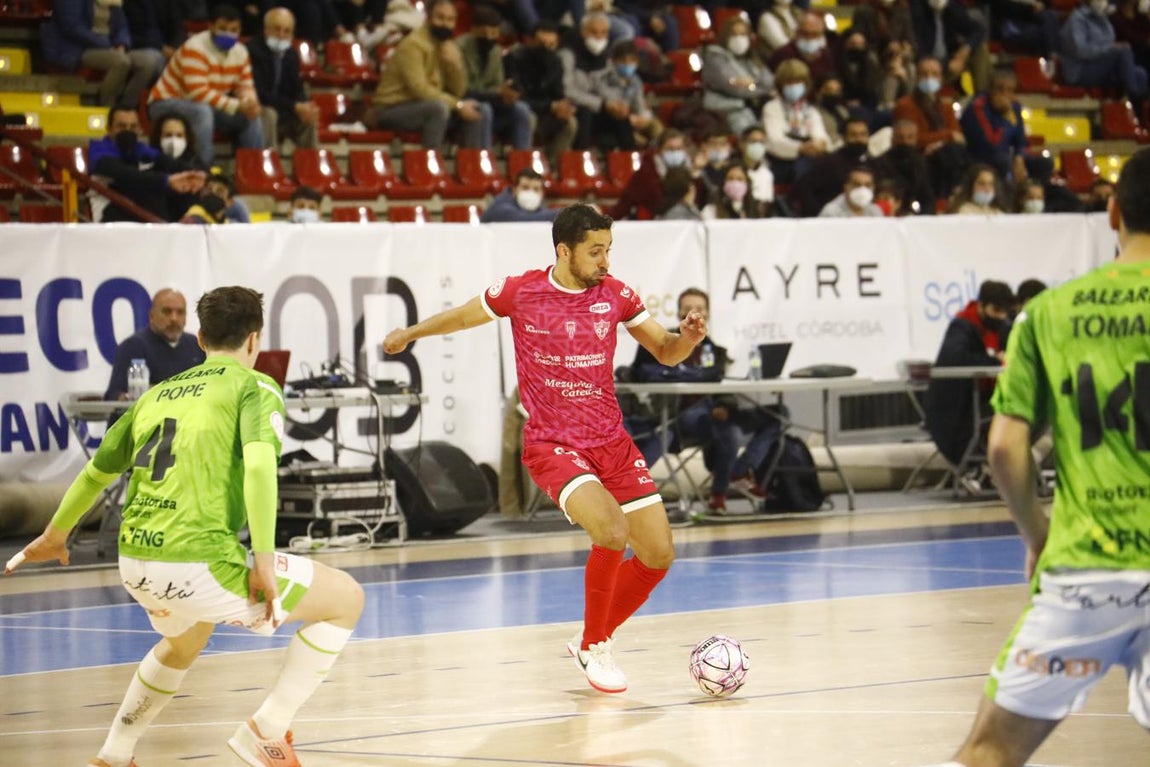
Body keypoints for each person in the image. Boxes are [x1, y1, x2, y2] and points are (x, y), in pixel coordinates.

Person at [7, 286, 364, 767]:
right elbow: (260, 471)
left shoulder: (156, 394)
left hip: (133, 564)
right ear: (255, 340)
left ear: (199, 337)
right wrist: (261, 561)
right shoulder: (255, 386)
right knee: (346, 599)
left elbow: (96, 472)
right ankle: (268, 729)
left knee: (187, 637)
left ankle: (115, 753)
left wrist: (56, 534)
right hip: (196, 564)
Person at [382, 204, 706, 693]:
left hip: (611, 442)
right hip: (554, 444)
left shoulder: (616, 295)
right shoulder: (523, 291)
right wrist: (410, 333)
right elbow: (462, 317)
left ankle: (589, 637)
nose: (606, 261)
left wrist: (688, 340)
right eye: (595, 252)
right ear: (564, 250)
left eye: (609, 250)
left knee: (658, 554)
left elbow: (664, 348)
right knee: (611, 531)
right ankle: (597, 647)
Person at [920, 148, 1150, 767]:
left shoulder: (1049, 313)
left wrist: (1037, 534)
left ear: (1111, 213)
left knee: (989, 751)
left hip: (1086, 568)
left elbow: (1002, 446)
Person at [629, 288, 782, 512]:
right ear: (678, 312)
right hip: (678, 417)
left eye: (699, 309)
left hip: (714, 414)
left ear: (708, 314)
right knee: (729, 432)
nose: (693, 313)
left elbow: (719, 383)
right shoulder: (660, 343)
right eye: (688, 308)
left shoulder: (715, 351)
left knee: (777, 415)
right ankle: (718, 495)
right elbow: (640, 373)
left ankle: (737, 473)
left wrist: (724, 405)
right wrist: (691, 375)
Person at [147, 3, 265, 166]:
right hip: (166, 102)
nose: (228, 34)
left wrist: (249, 103)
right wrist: (237, 106)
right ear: (211, 27)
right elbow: (198, 93)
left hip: (211, 107)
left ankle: (252, 170)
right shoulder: (195, 47)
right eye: (223, 28)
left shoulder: (241, 51)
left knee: (251, 117)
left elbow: (245, 85)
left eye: (233, 30)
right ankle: (204, 169)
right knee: (201, 111)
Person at [923, 279, 1013, 487]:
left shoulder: (1005, 327)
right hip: (956, 408)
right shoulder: (962, 326)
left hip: (988, 400)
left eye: (1004, 311)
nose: (1000, 316)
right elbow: (956, 359)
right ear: (981, 305)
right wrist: (993, 360)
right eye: (996, 310)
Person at [367, 0, 489, 149]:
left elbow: (459, 91)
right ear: (429, 18)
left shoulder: (449, 46)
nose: (445, 24)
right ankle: (430, 164)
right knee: (438, 109)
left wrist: (455, 66)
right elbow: (419, 89)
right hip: (391, 109)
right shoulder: (413, 44)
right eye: (440, 18)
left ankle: (472, 166)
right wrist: (457, 105)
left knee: (480, 110)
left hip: (426, 105)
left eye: (450, 19)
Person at [89, 104, 206, 223]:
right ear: (109, 129)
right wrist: (167, 181)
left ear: (139, 129)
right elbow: (127, 175)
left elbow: (169, 163)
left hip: (137, 210)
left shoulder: (139, 149)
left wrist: (197, 175)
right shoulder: (99, 149)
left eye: (133, 127)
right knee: (152, 192)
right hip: (108, 209)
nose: (128, 131)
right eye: (121, 126)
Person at [42, 0, 164, 107]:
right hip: (78, 48)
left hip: (110, 47)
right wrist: (105, 44)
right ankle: (107, 105)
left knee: (149, 63)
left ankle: (126, 106)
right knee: (121, 62)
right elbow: (71, 26)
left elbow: (122, 26)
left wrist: (121, 44)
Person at [104, 288, 206, 401]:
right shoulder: (133, 346)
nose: (174, 318)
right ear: (152, 316)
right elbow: (114, 395)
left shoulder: (196, 345)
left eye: (180, 312)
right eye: (167, 311)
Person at [893, 55, 969, 199]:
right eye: (924, 74)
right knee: (950, 154)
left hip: (944, 156)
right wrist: (947, 136)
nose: (929, 78)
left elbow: (959, 136)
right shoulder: (905, 105)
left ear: (941, 79)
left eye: (934, 74)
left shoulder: (945, 105)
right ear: (917, 77)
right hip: (916, 158)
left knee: (955, 153)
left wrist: (939, 142)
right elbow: (912, 138)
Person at [457, 4, 532, 150]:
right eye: (485, 34)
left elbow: (497, 85)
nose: (489, 38)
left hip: (490, 101)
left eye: (493, 34)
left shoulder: (496, 51)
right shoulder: (459, 48)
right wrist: (497, 92)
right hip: (464, 104)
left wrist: (507, 94)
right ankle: (485, 160)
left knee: (521, 109)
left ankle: (523, 164)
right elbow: (462, 89)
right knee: (484, 109)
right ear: (474, 30)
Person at [503, 20, 577, 164]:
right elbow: (517, 96)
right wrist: (550, 106)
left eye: (551, 45)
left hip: (545, 110)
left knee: (570, 122)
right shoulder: (514, 58)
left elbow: (558, 92)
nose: (546, 49)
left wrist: (565, 106)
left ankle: (552, 167)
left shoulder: (555, 61)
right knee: (528, 116)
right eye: (542, 44)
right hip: (518, 111)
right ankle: (523, 165)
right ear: (530, 40)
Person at [248, 6, 320, 151]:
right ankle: (269, 163)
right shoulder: (252, 50)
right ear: (266, 29)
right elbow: (260, 94)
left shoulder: (291, 55)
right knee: (269, 114)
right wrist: (294, 106)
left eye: (287, 31)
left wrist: (305, 106)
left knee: (308, 119)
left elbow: (297, 89)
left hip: (283, 109)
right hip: (257, 109)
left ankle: (310, 165)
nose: (281, 35)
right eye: (277, 29)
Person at [1060, 0, 1149, 101]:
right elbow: (1080, 51)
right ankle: (1134, 95)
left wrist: (1110, 49)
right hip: (1080, 71)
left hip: (1100, 64)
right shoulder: (1077, 19)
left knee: (1140, 73)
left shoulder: (1103, 18)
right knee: (1124, 51)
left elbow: (1110, 40)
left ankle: (1133, 108)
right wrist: (1109, 49)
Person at [701, 15, 774, 135]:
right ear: (725, 36)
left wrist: (752, 82)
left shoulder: (752, 58)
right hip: (727, 109)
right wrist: (760, 86)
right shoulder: (714, 57)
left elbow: (770, 82)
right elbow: (735, 88)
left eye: (743, 35)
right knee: (749, 131)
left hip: (753, 106)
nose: (739, 39)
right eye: (734, 34)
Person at [762, 58, 829, 184]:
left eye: (798, 81)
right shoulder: (772, 107)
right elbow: (775, 140)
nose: (794, 86)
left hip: (808, 156)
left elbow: (821, 135)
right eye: (789, 82)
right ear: (781, 85)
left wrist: (819, 144)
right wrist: (801, 148)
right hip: (782, 160)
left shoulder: (810, 110)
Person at [588, 39, 657, 151]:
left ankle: (662, 152)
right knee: (626, 127)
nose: (627, 64)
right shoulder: (602, 78)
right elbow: (613, 103)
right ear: (614, 61)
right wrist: (630, 117)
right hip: (608, 121)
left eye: (631, 61)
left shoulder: (636, 80)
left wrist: (641, 116)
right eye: (623, 61)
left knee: (655, 125)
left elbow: (638, 105)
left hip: (630, 119)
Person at [481, 168, 560, 222]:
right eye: (525, 188)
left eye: (536, 189)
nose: (531, 193)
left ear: (542, 193)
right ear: (514, 190)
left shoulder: (539, 210)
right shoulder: (499, 208)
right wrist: (562, 215)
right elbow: (525, 219)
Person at [702, 163, 770, 220]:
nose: (735, 183)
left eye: (740, 179)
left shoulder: (756, 211)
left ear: (747, 184)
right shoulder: (710, 211)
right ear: (723, 183)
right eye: (730, 179)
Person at [819, 164, 884, 217]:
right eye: (857, 185)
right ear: (845, 187)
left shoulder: (875, 211)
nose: (862, 190)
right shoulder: (831, 212)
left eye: (867, 185)